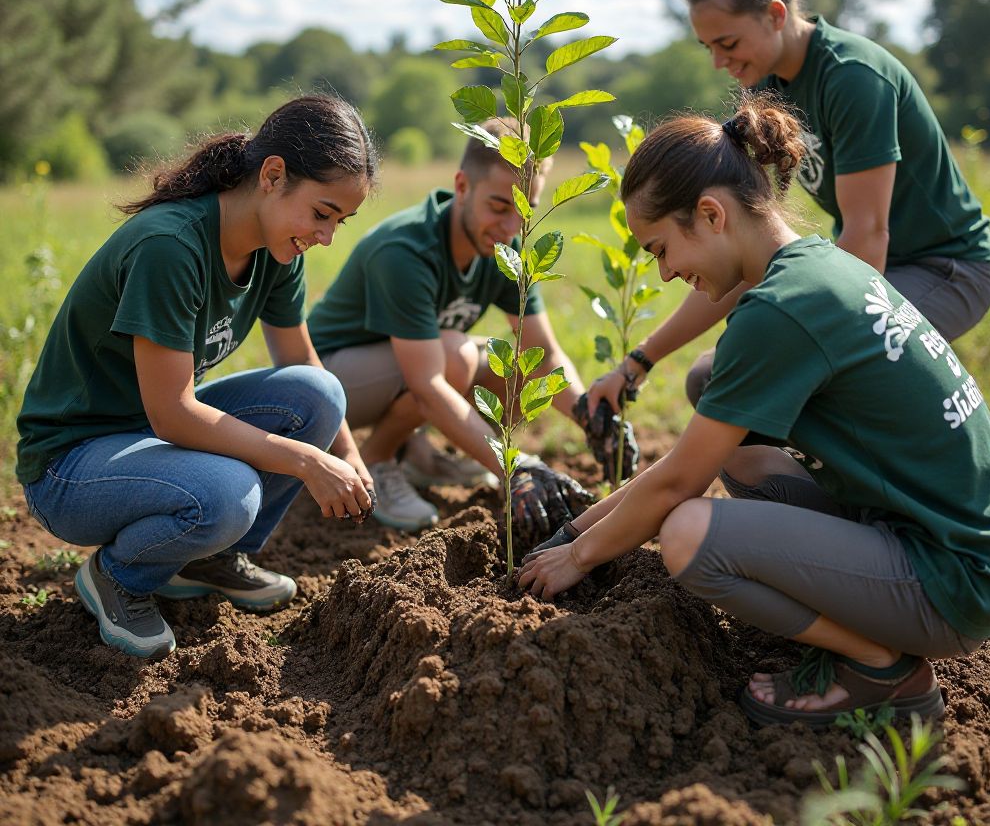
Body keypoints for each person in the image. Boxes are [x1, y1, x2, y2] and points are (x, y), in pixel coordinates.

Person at [519, 97, 990, 727]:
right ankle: (857, 613)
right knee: (712, 386)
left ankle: (881, 667)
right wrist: (574, 533)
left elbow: (679, 480)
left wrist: (579, 556)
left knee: (687, 536)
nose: (666, 272)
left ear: (710, 214)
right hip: (961, 540)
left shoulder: (781, 311)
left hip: (951, 580)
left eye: (660, 249)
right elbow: (688, 460)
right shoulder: (815, 263)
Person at [16, 95, 379, 660]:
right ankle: (119, 576)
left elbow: (303, 363)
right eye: (322, 213)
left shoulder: (276, 253)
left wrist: (349, 455)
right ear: (273, 175)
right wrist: (308, 461)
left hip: (148, 443)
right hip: (71, 464)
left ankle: (207, 559)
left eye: (340, 221)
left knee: (319, 395)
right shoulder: (171, 246)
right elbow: (173, 413)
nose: (327, 235)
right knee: (230, 496)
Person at [589, 0, 990, 417]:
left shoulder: (851, 77)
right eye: (708, 47)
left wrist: (781, 336)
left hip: (946, 268)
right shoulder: (765, 88)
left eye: (728, 43)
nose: (718, 62)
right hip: (874, 266)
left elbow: (867, 237)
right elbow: (744, 244)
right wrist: (640, 360)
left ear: (776, 15)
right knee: (712, 376)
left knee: (795, 370)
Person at [307, 119, 631, 536]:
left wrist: (593, 418)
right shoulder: (405, 250)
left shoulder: (506, 251)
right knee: (456, 356)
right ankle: (376, 462)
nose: (510, 227)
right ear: (462, 187)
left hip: (403, 366)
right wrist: (516, 464)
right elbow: (426, 383)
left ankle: (419, 458)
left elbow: (545, 355)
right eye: (498, 207)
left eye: (523, 209)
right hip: (328, 384)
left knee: (516, 368)